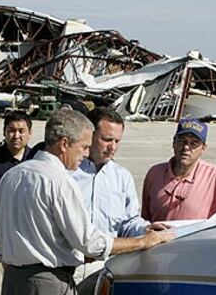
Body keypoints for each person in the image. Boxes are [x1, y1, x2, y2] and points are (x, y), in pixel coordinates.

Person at [0, 109, 174, 295]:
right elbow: (89, 243)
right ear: (64, 144)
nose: (86, 153)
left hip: (15, 280)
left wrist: (144, 230)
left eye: (116, 141)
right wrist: (143, 242)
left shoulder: (12, 175)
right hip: (50, 280)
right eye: (84, 146)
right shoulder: (60, 180)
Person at [70, 107, 167, 293]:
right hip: (68, 267)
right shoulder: (67, 173)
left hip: (104, 268)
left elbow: (128, 222)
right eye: (107, 139)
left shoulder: (122, 177)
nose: (112, 147)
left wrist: (145, 229)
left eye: (117, 141)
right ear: (89, 134)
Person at [142, 117, 216, 222]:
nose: (186, 147)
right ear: (173, 142)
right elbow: (144, 219)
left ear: (203, 148)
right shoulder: (155, 173)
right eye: (182, 141)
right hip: (157, 237)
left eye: (193, 143)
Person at [0, 110, 33, 295]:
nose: (16, 135)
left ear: (29, 133)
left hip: (30, 225)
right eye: (11, 130)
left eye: (21, 130)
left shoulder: (36, 160)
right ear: (4, 132)